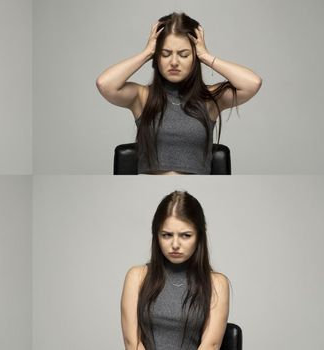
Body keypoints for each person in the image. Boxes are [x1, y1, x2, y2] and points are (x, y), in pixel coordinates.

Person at [96, 13, 262, 174]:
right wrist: (146, 53)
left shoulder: (209, 99)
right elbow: (105, 84)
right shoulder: (142, 96)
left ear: (194, 57)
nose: (174, 62)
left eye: (184, 55)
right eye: (165, 54)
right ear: (156, 56)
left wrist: (205, 56)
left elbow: (252, 83)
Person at [121, 191, 229, 350]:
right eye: (166, 235)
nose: (175, 244)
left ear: (199, 235)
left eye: (185, 235)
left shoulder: (216, 283)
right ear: (156, 235)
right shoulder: (137, 277)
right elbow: (133, 343)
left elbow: (210, 345)